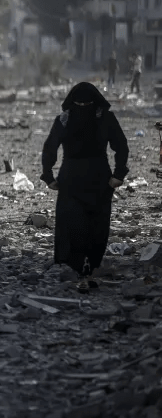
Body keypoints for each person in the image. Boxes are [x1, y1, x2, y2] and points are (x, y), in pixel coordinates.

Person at [41, 82, 129, 293]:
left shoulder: (71, 119)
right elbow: (50, 148)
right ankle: (81, 269)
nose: (82, 107)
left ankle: (84, 268)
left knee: (88, 225)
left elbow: (121, 146)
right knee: (81, 224)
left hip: (83, 178)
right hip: (87, 178)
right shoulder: (94, 118)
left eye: (86, 104)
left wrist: (119, 174)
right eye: (79, 104)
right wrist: (117, 175)